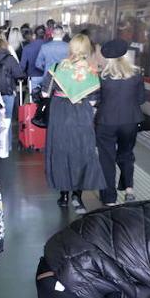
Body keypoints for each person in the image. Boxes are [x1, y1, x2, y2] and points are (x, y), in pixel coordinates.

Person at [44, 34, 106, 214]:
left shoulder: (57, 68)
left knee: (62, 153)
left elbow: (45, 94)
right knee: (82, 153)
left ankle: (63, 195)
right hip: (81, 117)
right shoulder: (92, 73)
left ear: (70, 48)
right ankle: (77, 197)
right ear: (87, 50)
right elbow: (94, 102)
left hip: (60, 116)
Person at [95, 40, 145, 206]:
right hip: (130, 121)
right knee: (126, 154)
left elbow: (97, 101)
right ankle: (129, 189)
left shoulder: (102, 76)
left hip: (106, 122)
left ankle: (109, 198)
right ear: (125, 56)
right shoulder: (136, 74)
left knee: (106, 159)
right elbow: (141, 99)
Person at [0, 34, 23, 144]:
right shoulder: (10, 59)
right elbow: (19, 74)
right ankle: (6, 146)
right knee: (7, 119)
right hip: (8, 93)